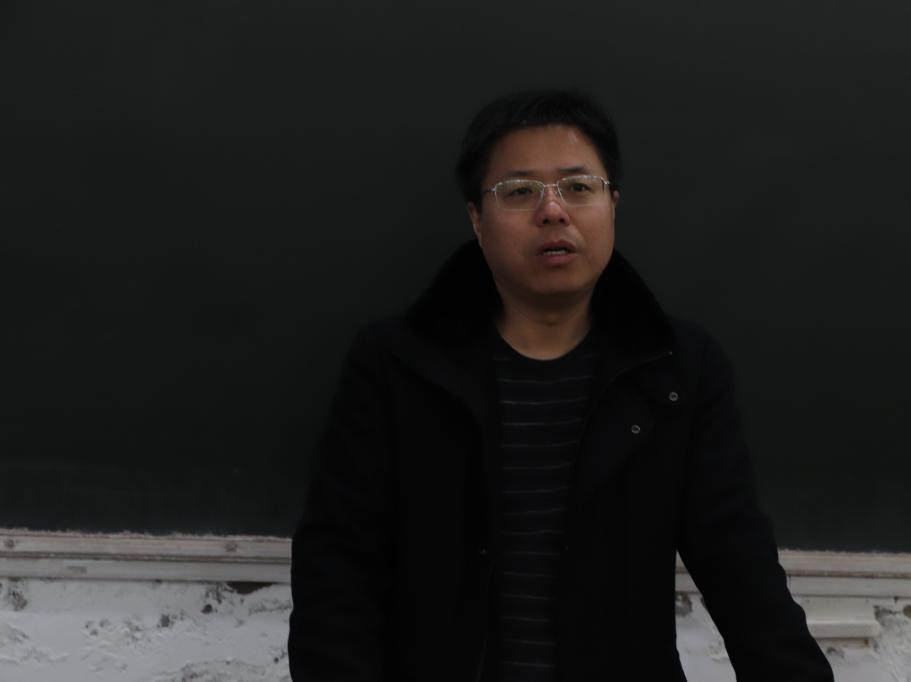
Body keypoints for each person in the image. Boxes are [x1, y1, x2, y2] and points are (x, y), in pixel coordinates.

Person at [288, 90, 834, 682]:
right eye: (519, 191)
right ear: (476, 218)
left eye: (578, 187)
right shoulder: (397, 364)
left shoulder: (679, 369)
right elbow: (336, 574)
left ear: (612, 204)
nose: (553, 211)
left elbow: (741, 568)